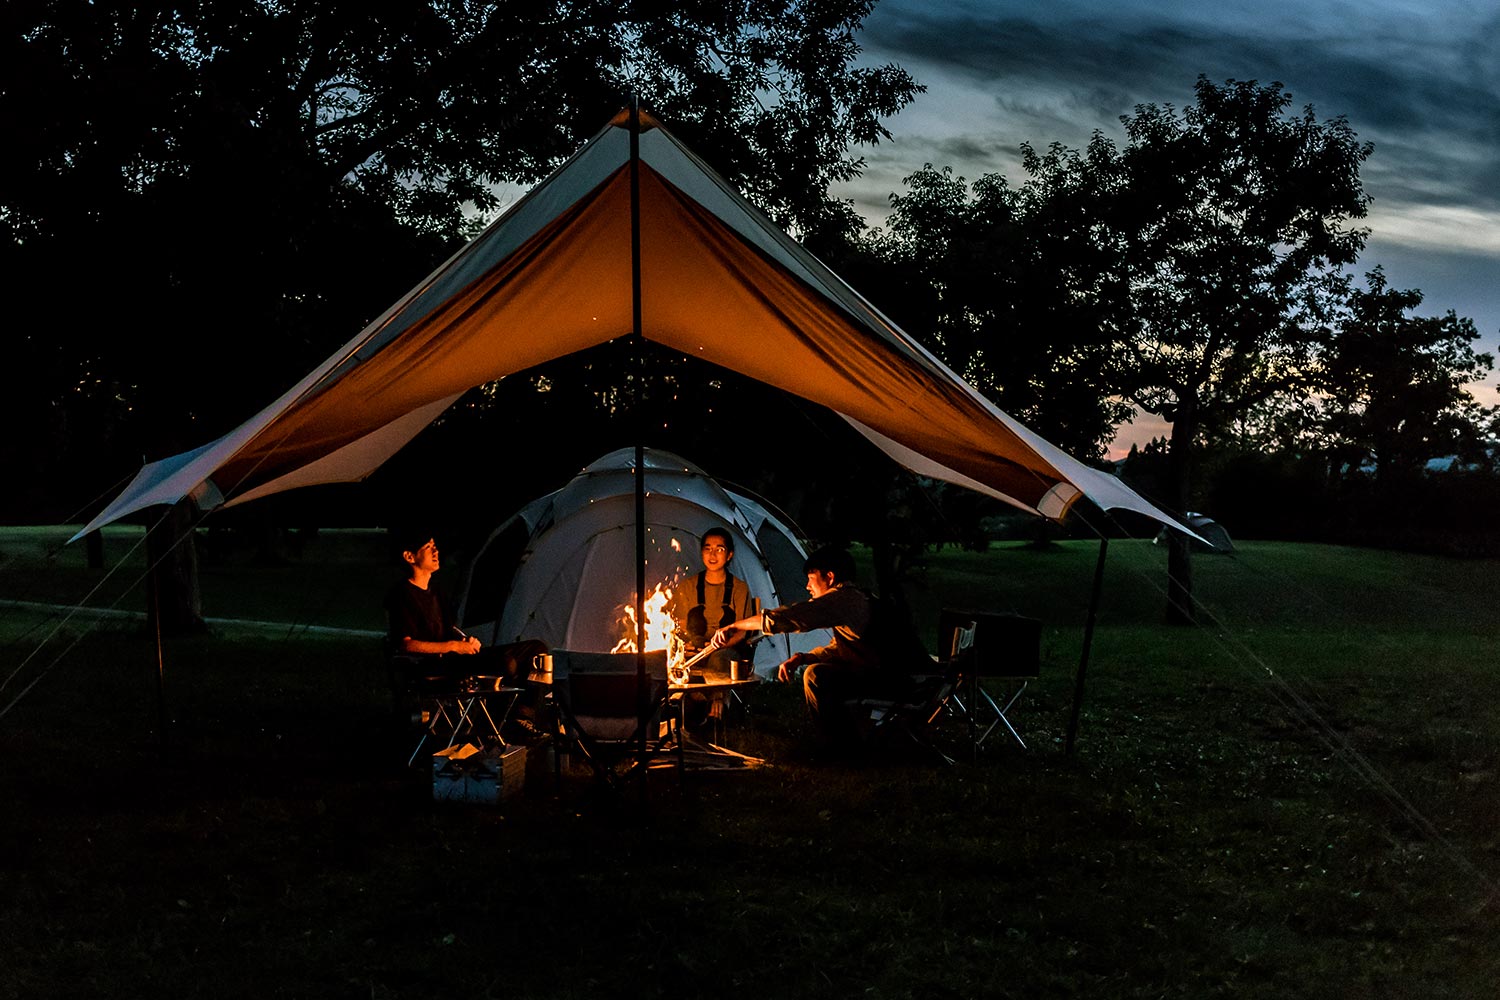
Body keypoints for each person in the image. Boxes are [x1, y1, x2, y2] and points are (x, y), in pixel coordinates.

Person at [710, 545, 926, 747]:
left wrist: (735, 626)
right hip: (896, 676)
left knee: (816, 676)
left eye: (811, 579)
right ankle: (848, 739)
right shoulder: (855, 598)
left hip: (897, 681)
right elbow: (838, 648)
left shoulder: (843, 600)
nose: (807, 586)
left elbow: (791, 616)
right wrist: (803, 658)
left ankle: (837, 745)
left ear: (829, 577)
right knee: (818, 670)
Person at [384, 529, 547, 737]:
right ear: (409, 556)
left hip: (455, 659)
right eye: (428, 547)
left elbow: (449, 630)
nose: (435, 551)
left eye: (435, 546)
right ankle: (497, 723)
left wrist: (464, 641)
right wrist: (454, 646)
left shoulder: (436, 593)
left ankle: (523, 714)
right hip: (434, 667)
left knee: (537, 650)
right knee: (507, 663)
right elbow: (406, 644)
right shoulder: (401, 596)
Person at [669, 527, 756, 727]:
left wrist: (722, 644)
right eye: (707, 549)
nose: (713, 554)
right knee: (676, 664)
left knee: (719, 658)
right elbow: (679, 625)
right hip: (695, 648)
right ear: (701, 553)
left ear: (729, 555)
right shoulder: (688, 586)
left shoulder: (739, 588)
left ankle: (715, 714)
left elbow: (743, 630)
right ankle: (681, 712)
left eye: (719, 549)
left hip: (726, 648)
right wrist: (685, 646)